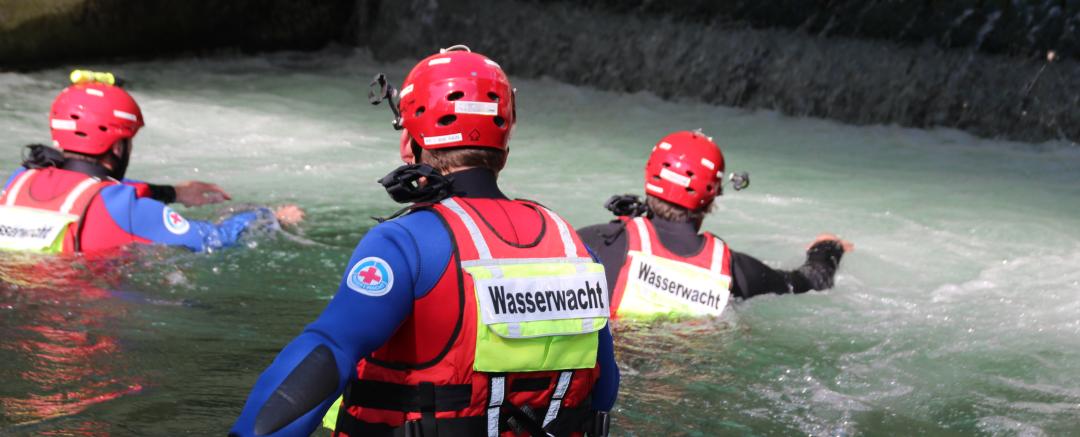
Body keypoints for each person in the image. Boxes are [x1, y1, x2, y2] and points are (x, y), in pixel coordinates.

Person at [231, 46, 617, 437]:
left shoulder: (406, 243)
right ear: (504, 148)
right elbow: (604, 388)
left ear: (410, 142)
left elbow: (326, 354)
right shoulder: (572, 246)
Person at [0, 71, 302, 254]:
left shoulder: (19, 180)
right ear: (117, 146)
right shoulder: (127, 210)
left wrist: (173, 192)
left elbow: (92, 191)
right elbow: (215, 239)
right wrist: (268, 217)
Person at [578, 130, 854, 320]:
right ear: (713, 197)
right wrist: (827, 247)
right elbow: (810, 281)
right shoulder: (733, 270)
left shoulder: (598, 243)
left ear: (648, 177)